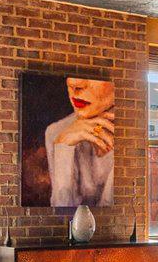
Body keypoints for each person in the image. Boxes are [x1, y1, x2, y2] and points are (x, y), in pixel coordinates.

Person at [45, 76, 114, 208]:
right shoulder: (57, 132)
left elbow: (115, 214)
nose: (74, 84)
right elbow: (62, 211)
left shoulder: (132, 136)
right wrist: (63, 146)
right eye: (70, 77)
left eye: (96, 77)